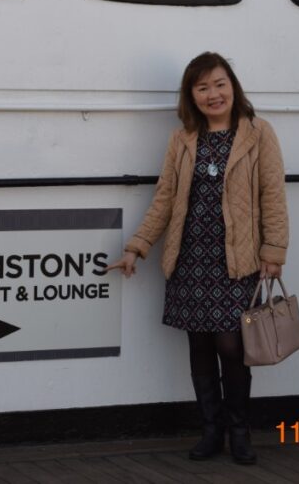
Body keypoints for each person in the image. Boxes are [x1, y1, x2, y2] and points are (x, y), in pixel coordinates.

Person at [107, 52, 289, 466]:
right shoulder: (183, 139)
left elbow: (274, 196)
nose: (213, 94)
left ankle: (239, 432)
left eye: (220, 84)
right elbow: (165, 199)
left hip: (237, 260)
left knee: (232, 345)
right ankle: (211, 431)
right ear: (191, 95)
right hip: (190, 258)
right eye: (203, 87)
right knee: (201, 346)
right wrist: (137, 246)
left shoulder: (258, 133)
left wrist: (274, 251)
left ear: (233, 87)